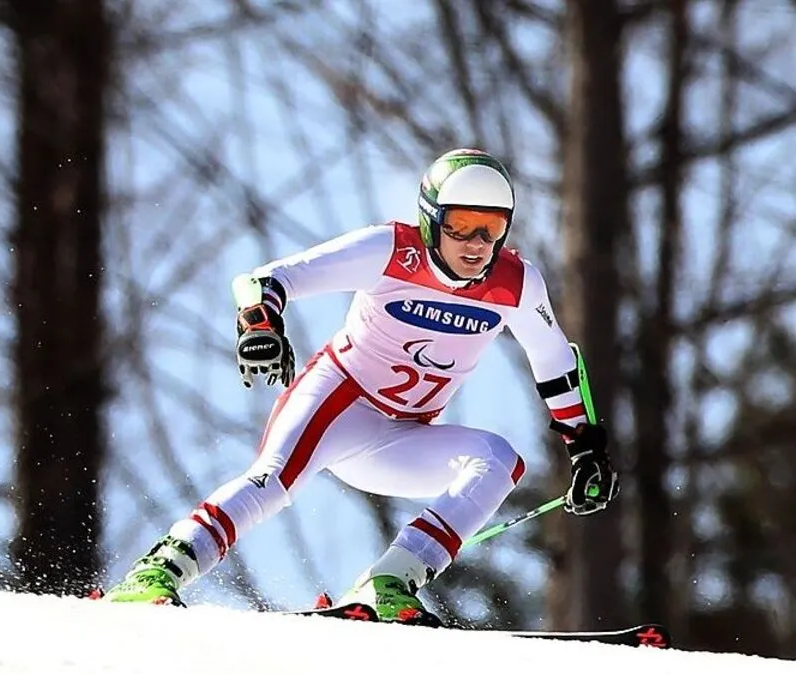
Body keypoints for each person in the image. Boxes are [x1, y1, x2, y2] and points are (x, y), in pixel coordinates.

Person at [98, 148, 619, 625]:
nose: (475, 245)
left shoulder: (516, 283)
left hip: (402, 436)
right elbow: (265, 281)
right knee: (273, 483)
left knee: (499, 460)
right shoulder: (389, 250)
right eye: (460, 225)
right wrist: (260, 324)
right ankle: (159, 572)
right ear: (430, 218)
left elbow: (554, 359)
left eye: (490, 228)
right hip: (336, 404)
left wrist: (584, 445)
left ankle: (390, 582)